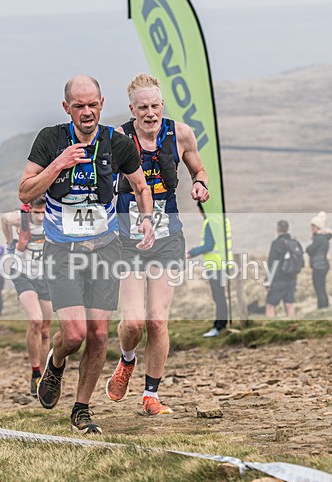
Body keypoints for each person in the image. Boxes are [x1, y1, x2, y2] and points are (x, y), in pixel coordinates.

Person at [19, 74, 155, 433]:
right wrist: (58, 164)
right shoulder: (50, 139)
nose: (87, 112)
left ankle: (81, 408)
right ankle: (57, 360)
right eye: (79, 106)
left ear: (102, 104)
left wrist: (146, 220)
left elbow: (141, 187)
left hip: (105, 249)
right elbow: (25, 191)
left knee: (97, 334)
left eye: (92, 104)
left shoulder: (117, 142)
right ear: (67, 108)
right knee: (75, 334)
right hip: (62, 251)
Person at [106, 73, 210, 416]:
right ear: (132, 109)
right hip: (127, 239)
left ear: (162, 105)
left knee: (157, 322)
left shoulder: (179, 134)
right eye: (142, 107)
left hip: (168, 237)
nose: (150, 113)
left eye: (155, 105)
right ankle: (126, 360)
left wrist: (200, 185)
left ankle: (151, 395)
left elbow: (198, 168)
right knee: (133, 323)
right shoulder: (119, 138)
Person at [1, 196, 52, 397]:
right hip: (23, 274)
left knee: (46, 331)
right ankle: (35, 373)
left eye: (43, 212)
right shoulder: (21, 219)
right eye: (36, 212)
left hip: (46, 276)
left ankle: (45, 374)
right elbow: (4, 219)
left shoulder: (53, 218)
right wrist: (9, 242)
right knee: (36, 320)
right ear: (29, 209)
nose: (40, 217)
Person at [187, 202, 233, 338]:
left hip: (215, 265)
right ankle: (221, 324)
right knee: (221, 297)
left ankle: (219, 326)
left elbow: (208, 245)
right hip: (225, 264)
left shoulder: (210, 222)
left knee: (218, 297)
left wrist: (191, 252)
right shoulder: (223, 220)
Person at [265, 220, 304, 318]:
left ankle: (271, 328)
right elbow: (301, 261)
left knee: (270, 305)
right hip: (292, 278)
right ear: (288, 229)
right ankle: (292, 325)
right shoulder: (295, 243)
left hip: (278, 279)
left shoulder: (276, 244)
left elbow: (272, 264)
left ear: (277, 230)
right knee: (289, 304)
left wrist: (267, 281)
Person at [306, 211, 332, 309]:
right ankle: (325, 306)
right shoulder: (324, 238)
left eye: (313, 227)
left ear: (318, 227)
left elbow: (310, 250)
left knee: (319, 288)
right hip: (323, 265)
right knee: (322, 287)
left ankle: (322, 307)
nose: (312, 229)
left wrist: (312, 241)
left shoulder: (318, 239)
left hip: (318, 266)